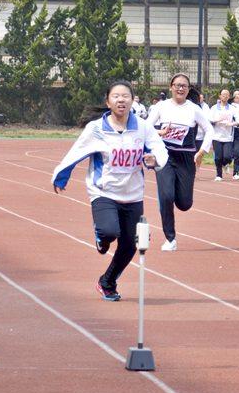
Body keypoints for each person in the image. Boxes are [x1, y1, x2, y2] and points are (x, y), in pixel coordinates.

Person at [51, 81, 167, 301]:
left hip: (133, 195)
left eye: (126, 96)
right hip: (103, 191)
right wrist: (60, 175)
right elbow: (77, 152)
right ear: (108, 101)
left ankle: (107, 282)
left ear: (133, 100)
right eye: (116, 96)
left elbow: (160, 149)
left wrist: (155, 160)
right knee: (109, 232)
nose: (121, 100)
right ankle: (101, 236)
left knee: (130, 244)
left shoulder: (142, 127)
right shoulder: (96, 129)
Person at [146, 73, 214, 251]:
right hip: (164, 156)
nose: (180, 88)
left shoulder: (194, 109)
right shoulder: (161, 107)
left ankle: (175, 190)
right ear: (170, 87)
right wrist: (159, 133)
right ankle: (170, 238)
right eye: (177, 85)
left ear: (188, 89)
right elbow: (145, 128)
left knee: (184, 204)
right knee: (167, 196)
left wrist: (202, 151)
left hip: (186, 158)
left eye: (184, 85)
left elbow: (210, 130)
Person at [210, 89, 235, 181]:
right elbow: (209, 120)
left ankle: (225, 164)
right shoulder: (214, 108)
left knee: (227, 156)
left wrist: (232, 124)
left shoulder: (232, 109)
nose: (225, 96)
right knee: (218, 157)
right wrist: (215, 121)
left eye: (227, 95)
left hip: (228, 136)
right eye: (223, 94)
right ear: (219, 96)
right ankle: (219, 175)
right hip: (216, 136)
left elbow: (238, 121)